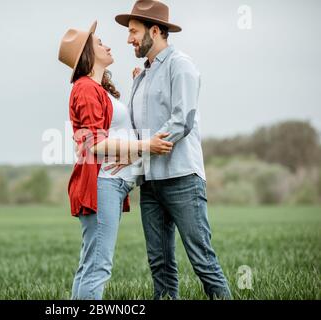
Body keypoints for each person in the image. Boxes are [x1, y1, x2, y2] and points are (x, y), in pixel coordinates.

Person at [115, 0, 232, 299]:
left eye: (133, 32)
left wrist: (145, 147)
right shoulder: (141, 76)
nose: (129, 39)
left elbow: (182, 120)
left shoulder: (181, 65)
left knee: (202, 260)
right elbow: (136, 126)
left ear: (155, 31)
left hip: (182, 179)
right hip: (151, 183)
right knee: (160, 265)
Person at [58, 20, 173, 299]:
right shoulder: (85, 88)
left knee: (92, 265)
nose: (107, 45)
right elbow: (94, 143)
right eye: (99, 43)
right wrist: (145, 146)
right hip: (103, 183)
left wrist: (137, 85)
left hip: (109, 184)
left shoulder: (97, 89)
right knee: (98, 267)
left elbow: (115, 130)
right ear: (87, 53)